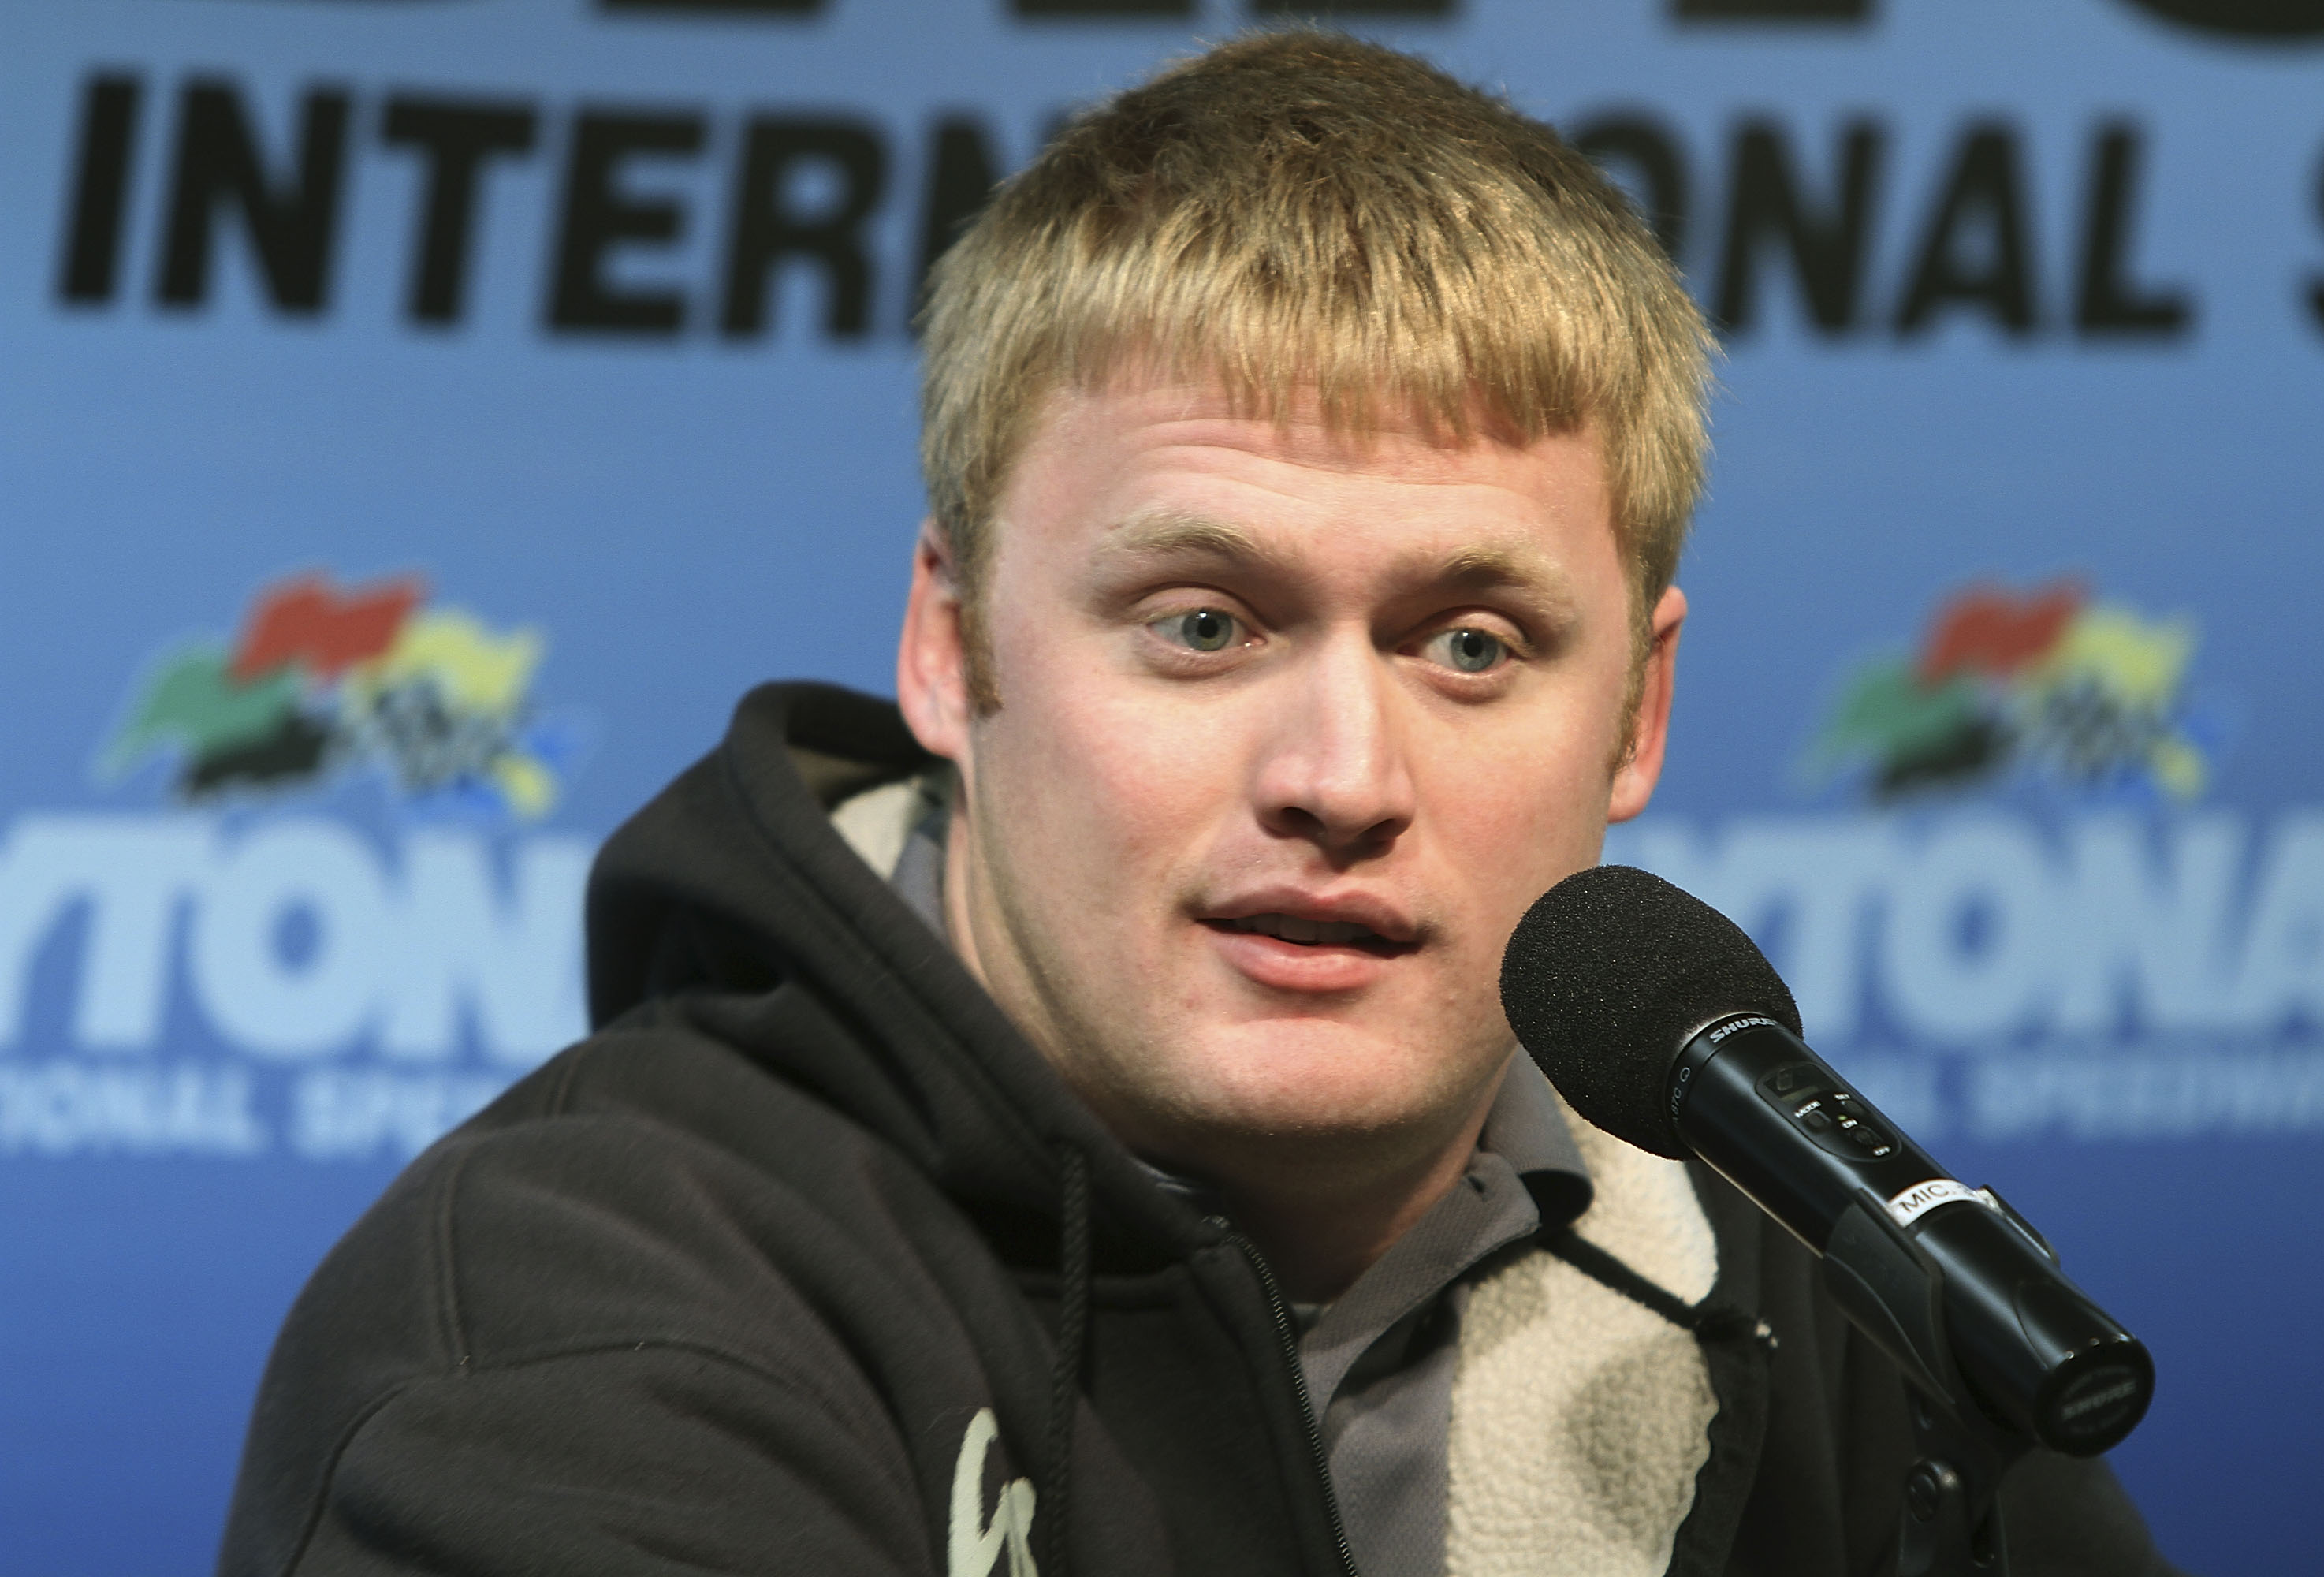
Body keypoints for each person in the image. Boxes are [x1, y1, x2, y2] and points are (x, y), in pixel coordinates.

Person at [218, 31, 2180, 1577]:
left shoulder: (1837, 1304)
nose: (1339, 780)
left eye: (1474, 646)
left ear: (1642, 707)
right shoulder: (588, 1317)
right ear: (950, 642)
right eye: (1204, 621)